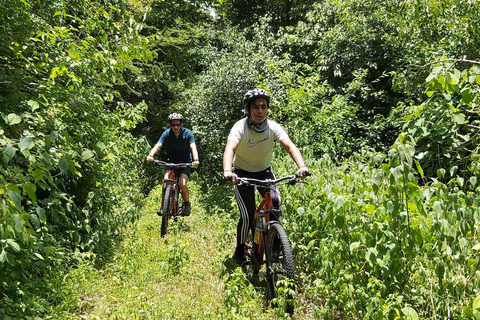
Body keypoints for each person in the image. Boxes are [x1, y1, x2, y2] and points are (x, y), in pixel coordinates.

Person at [222, 88, 310, 266]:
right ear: (248, 109)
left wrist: (301, 166)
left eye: (264, 107)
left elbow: (290, 146)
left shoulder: (273, 127)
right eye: (255, 107)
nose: (260, 111)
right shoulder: (240, 126)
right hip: (241, 174)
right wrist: (227, 171)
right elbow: (230, 148)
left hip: (264, 172)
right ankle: (240, 248)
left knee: (275, 203)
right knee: (247, 215)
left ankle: (276, 243)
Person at [147, 113, 199, 216]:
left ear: (181, 124)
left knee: (182, 183)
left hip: (185, 162)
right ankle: (164, 207)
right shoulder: (167, 133)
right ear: (170, 125)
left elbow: (193, 147)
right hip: (171, 161)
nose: (175, 127)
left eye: (177, 124)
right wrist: (151, 155)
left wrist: (196, 159)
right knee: (167, 180)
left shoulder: (188, 133)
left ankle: (187, 204)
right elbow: (158, 145)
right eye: (173, 125)